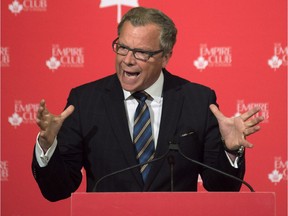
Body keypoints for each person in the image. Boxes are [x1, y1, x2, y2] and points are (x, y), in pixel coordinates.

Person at [32, 7, 264, 202]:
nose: (128, 60)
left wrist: (230, 150)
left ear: (165, 56)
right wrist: (47, 146)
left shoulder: (198, 100)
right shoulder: (85, 100)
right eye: (122, 47)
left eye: (141, 52)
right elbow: (57, 191)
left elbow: (221, 189)